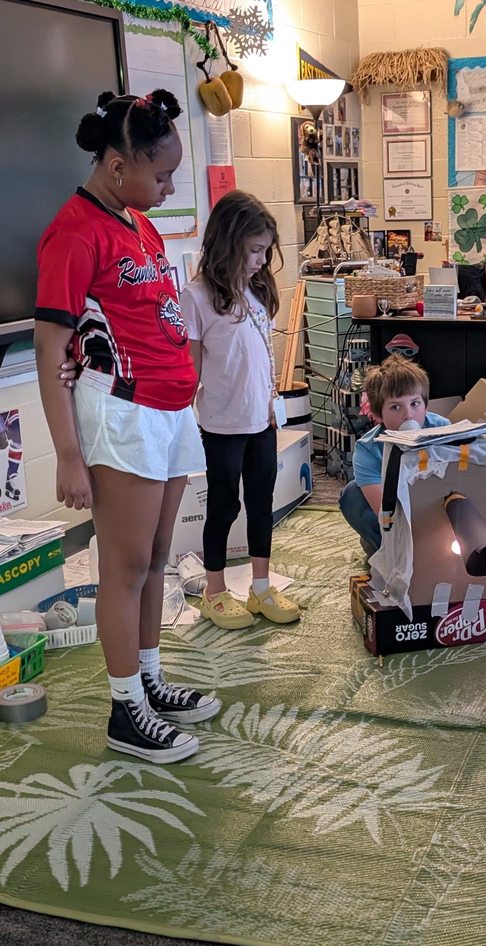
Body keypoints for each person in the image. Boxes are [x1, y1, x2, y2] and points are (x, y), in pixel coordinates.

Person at [35, 90, 220, 765]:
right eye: (161, 174)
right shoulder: (74, 232)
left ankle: (148, 680)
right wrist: (67, 454)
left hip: (170, 413)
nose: (170, 187)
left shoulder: (138, 223)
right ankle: (124, 711)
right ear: (117, 166)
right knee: (127, 564)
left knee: (158, 557)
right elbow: (50, 347)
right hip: (121, 414)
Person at [180, 191, 301, 630]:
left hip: (261, 422)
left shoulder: (255, 291)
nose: (259, 260)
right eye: (253, 250)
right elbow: (189, 372)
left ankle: (261, 585)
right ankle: (214, 591)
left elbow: (262, 356)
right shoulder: (195, 297)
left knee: (261, 503)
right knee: (224, 505)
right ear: (228, 243)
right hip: (221, 425)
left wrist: (271, 403)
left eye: (265, 251)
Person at [339, 354, 450, 557]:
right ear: (378, 414)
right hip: (396, 518)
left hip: (437, 513)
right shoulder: (368, 450)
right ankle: (386, 550)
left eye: (415, 404)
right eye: (396, 407)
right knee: (352, 495)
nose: (408, 415)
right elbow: (386, 511)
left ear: (426, 404)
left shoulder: (442, 429)